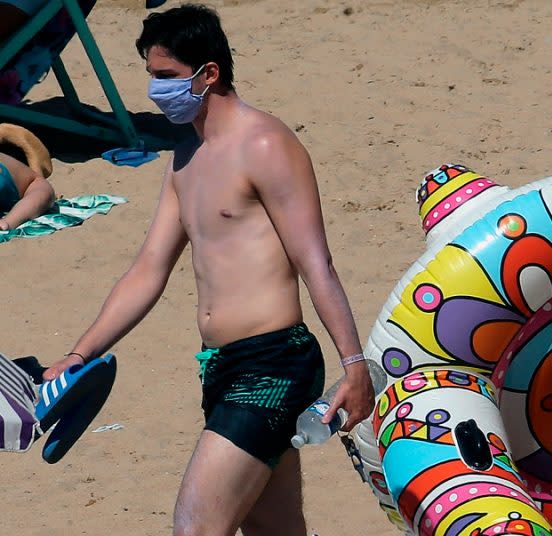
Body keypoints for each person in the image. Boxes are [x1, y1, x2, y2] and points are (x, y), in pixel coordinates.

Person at [43, 4, 375, 535]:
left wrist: (354, 365)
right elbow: (148, 270)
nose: (155, 90)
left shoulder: (265, 144)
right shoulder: (186, 158)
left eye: (166, 77)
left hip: (274, 366)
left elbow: (316, 261)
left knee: (196, 528)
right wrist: (81, 352)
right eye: (151, 76)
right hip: (219, 368)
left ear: (209, 73)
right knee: (274, 529)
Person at [0, 123, 55, 231]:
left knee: (42, 191)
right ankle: (7, 222)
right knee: (43, 192)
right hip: (21, 182)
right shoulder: (33, 179)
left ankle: (7, 222)